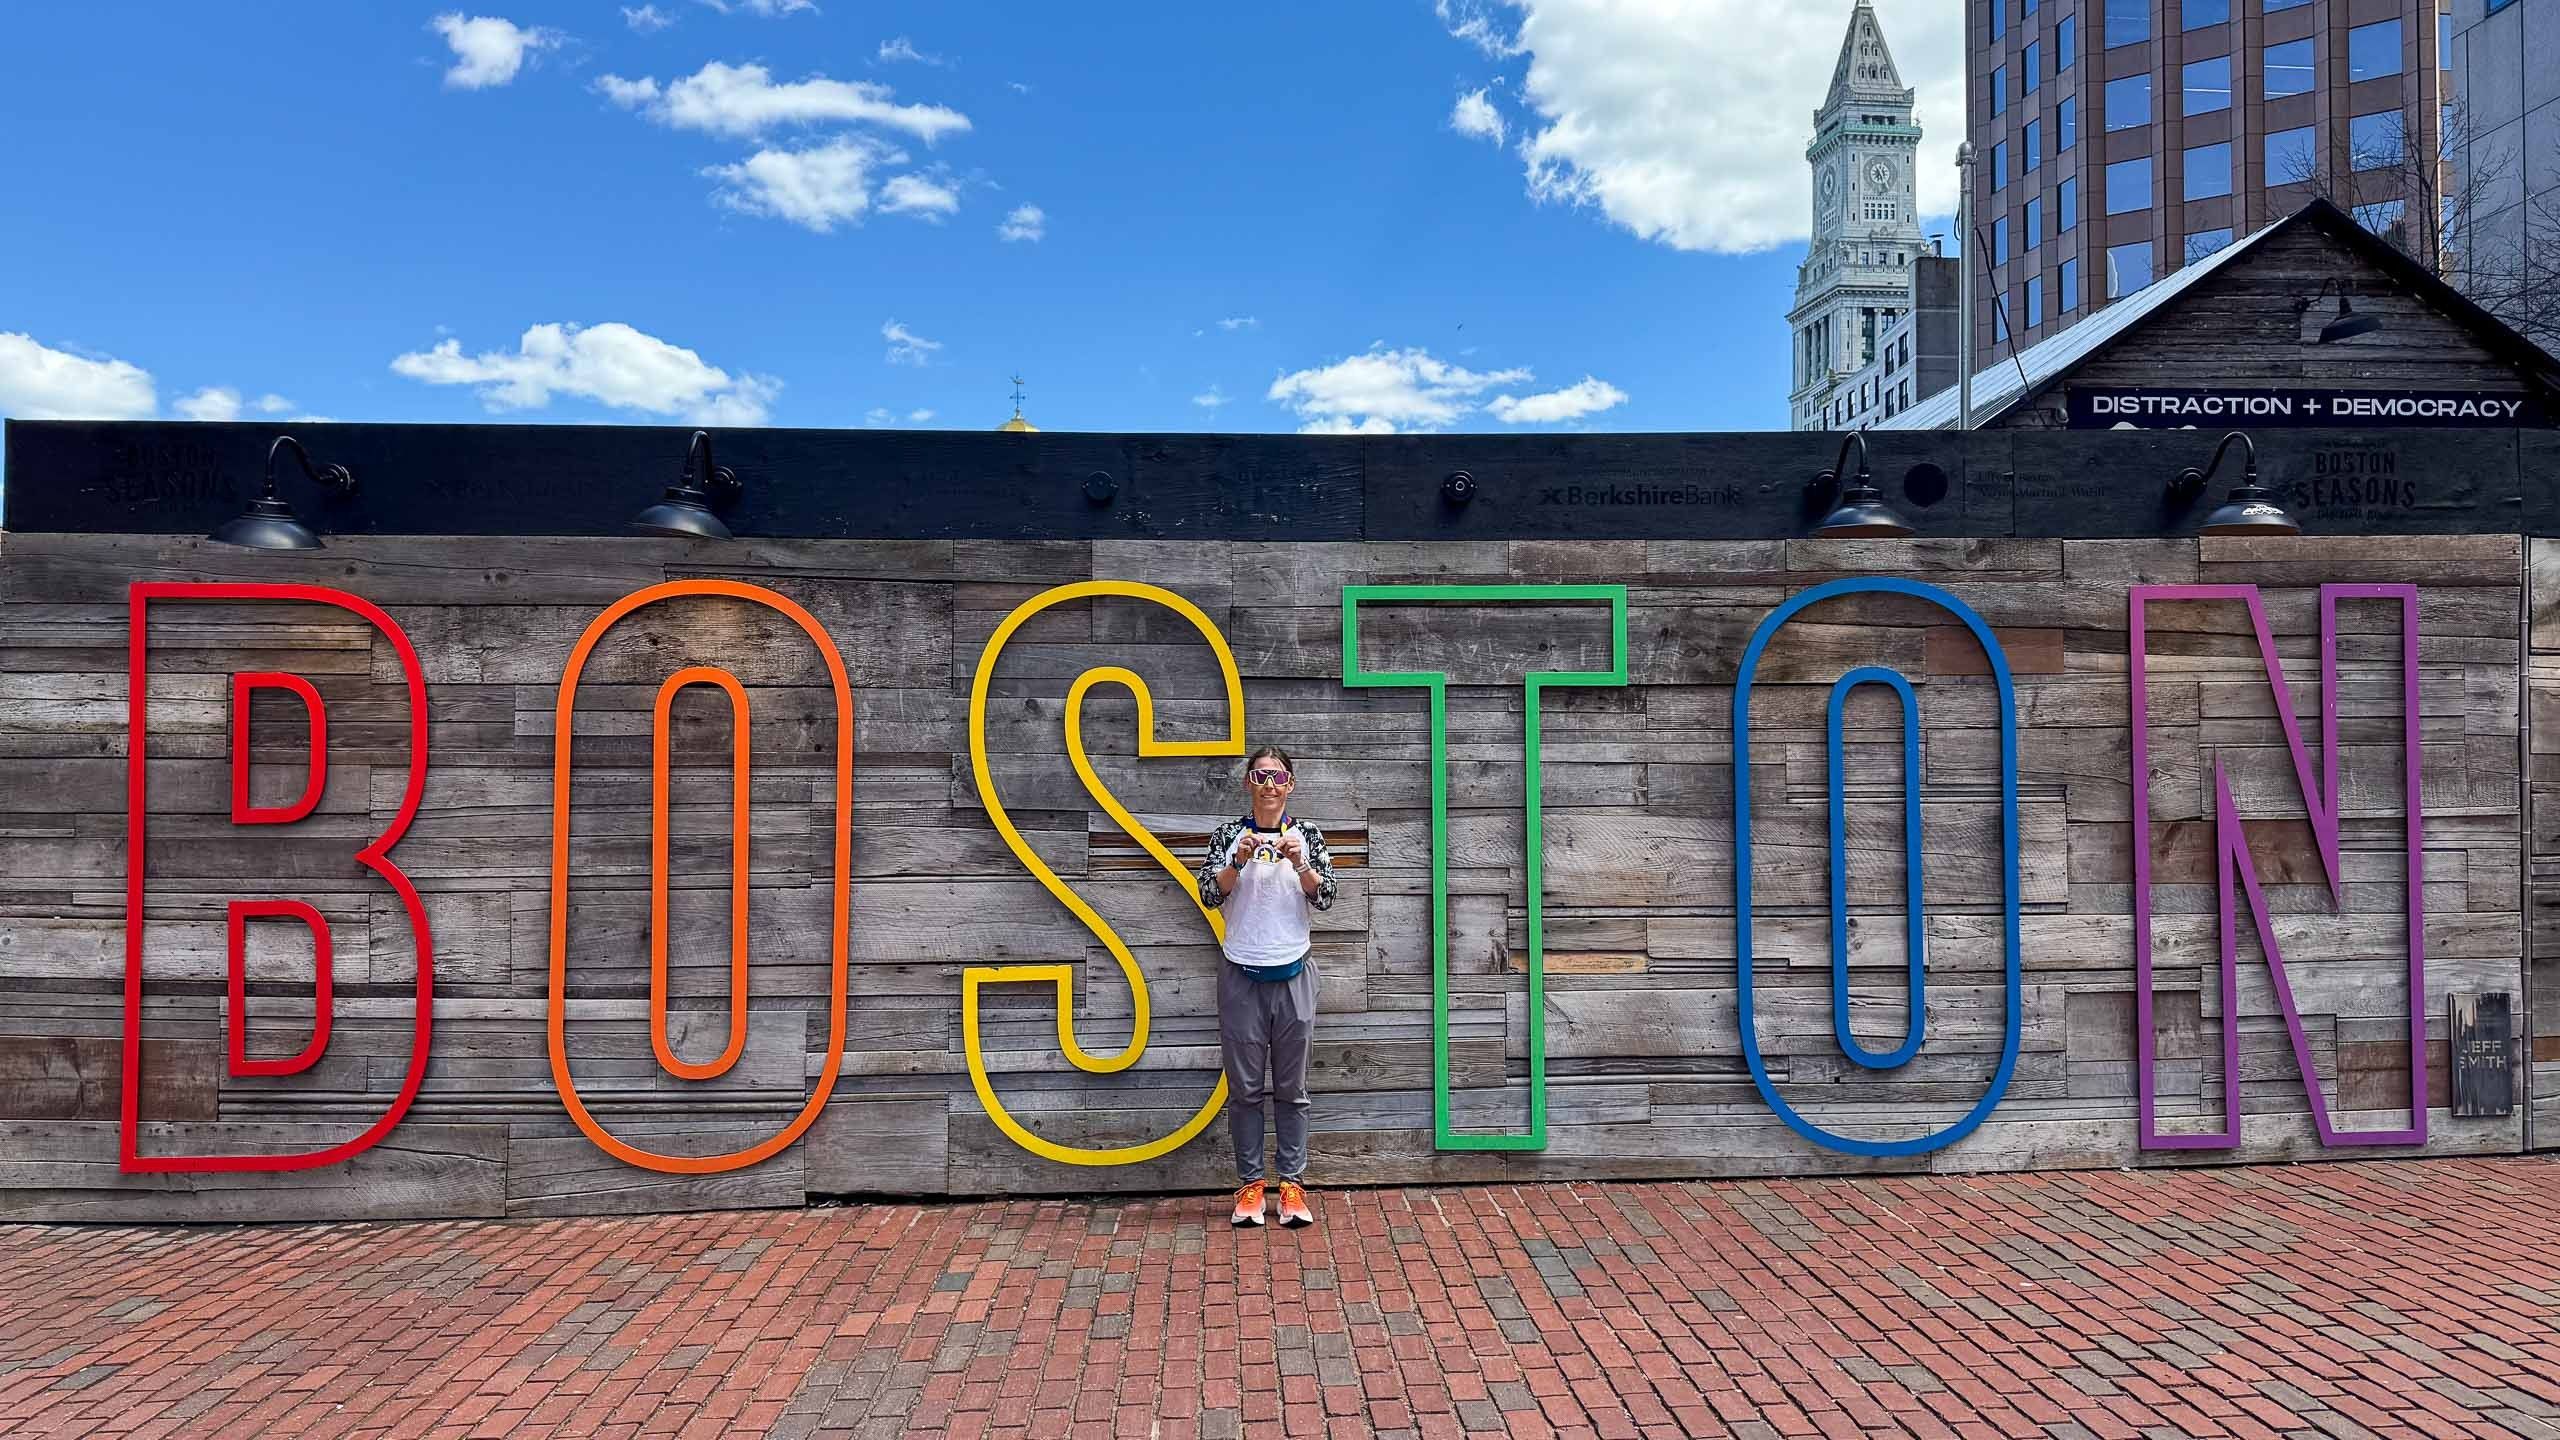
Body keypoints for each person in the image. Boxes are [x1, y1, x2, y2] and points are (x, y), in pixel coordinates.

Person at [1195, 746, 1337, 1228]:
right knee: (1245, 1091)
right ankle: (1251, 1186)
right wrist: (1235, 862)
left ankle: (1292, 1186)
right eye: (1260, 776)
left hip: (1294, 973)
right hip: (1241, 975)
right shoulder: (1227, 835)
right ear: (1248, 783)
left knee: (1292, 1090)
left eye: (1278, 776)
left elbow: (1327, 897)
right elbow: (1209, 894)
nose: (1269, 784)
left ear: (1290, 784)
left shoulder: (1308, 834)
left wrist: (1301, 864)